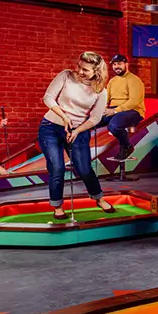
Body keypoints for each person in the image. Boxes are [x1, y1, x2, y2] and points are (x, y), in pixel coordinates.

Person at [39, 52, 115, 220]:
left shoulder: (100, 91)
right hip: (50, 128)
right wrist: (64, 117)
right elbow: (48, 98)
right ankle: (57, 206)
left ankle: (98, 198)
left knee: (84, 169)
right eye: (79, 66)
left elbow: (95, 117)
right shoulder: (66, 76)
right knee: (57, 168)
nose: (79, 71)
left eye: (85, 70)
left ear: (96, 71)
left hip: (79, 130)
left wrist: (77, 130)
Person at [97, 54, 146, 159]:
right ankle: (80, 154)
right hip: (115, 109)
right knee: (90, 121)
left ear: (126, 64)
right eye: (114, 64)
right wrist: (103, 108)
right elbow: (106, 98)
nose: (116, 66)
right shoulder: (112, 81)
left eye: (119, 64)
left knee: (114, 126)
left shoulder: (134, 80)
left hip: (133, 111)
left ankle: (126, 146)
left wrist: (115, 111)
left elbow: (134, 101)